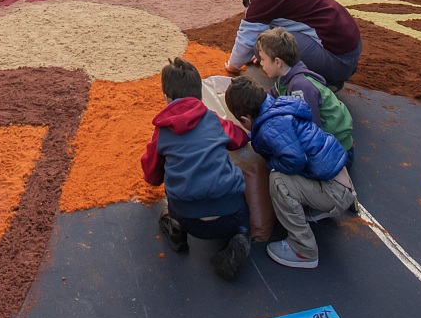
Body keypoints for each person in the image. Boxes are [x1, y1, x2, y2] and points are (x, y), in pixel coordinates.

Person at [224, 76, 356, 270]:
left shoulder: (270, 127)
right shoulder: (279, 106)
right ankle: (316, 208)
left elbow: (294, 159)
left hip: (335, 193)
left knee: (278, 179)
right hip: (342, 181)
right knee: (287, 170)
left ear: (244, 119)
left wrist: (271, 164)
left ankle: (303, 249)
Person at [140, 56, 251, 280]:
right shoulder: (213, 120)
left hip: (189, 217)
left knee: (175, 186)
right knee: (241, 206)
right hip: (230, 212)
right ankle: (240, 234)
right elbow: (239, 139)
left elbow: (151, 175)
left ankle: (177, 231)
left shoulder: (162, 132)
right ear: (199, 94)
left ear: (166, 97)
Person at [221, 0, 362, 88]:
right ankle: (328, 74)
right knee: (265, 44)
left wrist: (234, 66)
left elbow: (247, 39)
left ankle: (323, 80)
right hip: (349, 49)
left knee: (264, 45)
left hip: (338, 60)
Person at [255, 28, 354, 159]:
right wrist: (251, 97)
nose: (261, 63)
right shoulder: (285, 78)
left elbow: (312, 129)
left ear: (278, 62)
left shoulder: (299, 87)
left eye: (262, 59)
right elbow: (270, 95)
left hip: (337, 149)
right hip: (330, 140)